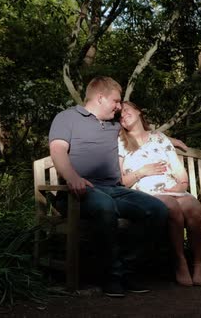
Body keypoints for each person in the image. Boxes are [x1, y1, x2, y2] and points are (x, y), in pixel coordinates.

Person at [48, 77, 169, 297]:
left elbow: (141, 134)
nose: (119, 106)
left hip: (115, 190)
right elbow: (57, 150)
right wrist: (72, 177)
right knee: (104, 205)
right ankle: (111, 276)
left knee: (158, 210)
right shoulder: (67, 118)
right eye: (116, 100)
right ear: (100, 98)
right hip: (79, 191)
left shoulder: (114, 125)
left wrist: (172, 140)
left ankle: (126, 270)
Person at [118, 101, 201, 286]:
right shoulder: (120, 143)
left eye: (127, 110)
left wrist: (181, 185)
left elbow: (179, 172)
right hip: (145, 193)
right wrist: (142, 171)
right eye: (120, 115)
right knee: (172, 207)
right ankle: (180, 261)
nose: (123, 115)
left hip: (172, 189)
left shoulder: (159, 137)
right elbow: (122, 182)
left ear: (138, 110)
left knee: (194, 209)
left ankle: (198, 265)